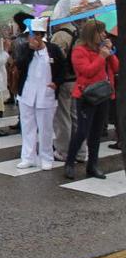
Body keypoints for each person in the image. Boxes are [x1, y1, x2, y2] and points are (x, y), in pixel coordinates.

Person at [64, 20, 119, 180]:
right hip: (85, 97)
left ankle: (93, 165)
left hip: (102, 95)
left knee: (96, 133)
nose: (104, 35)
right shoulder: (79, 51)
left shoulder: (102, 50)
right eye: (101, 32)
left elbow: (116, 68)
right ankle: (69, 163)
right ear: (92, 34)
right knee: (82, 131)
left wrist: (109, 53)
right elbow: (87, 72)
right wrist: (101, 57)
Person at [14, 19, 65, 170]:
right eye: (31, 35)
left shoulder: (53, 50)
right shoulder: (26, 49)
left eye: (36, 35)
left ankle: (46, 157)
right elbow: (20, 65)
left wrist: (57, 83)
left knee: (45, 128)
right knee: (27, 126)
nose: (33, 38)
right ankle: (28, 157)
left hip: (46, 94)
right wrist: (30, 50)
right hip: (27, 94)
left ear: (41, 35)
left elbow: (63, 68)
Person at [51, 21, 87, 162]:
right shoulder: (79, 33)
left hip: (65, 81)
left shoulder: (60, 36)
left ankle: (63, 151)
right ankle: (81, 151)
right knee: (76, 117)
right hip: (77, 80)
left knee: (63, 118)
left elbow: (55, 60)